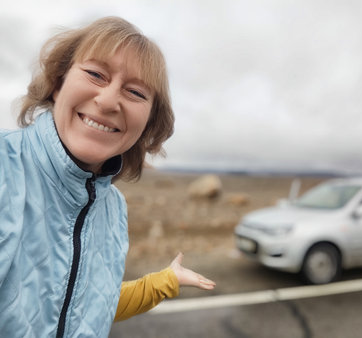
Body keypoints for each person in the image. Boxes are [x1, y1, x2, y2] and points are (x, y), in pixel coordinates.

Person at [0, 16, 215, 337]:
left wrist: (164, 282)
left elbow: (84, 308)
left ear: (147, 122)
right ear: (58, 83)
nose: (108, 100)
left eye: (136, 93)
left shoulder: (114, 210)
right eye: (95, 74)